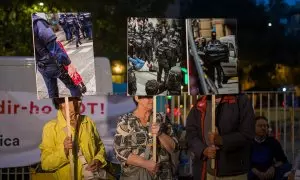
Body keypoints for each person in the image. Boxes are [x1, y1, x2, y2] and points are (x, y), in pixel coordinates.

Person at [186, 94, 255, 180]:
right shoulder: (200, 104)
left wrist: (222, 140)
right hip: (207, 172)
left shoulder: (241, 100)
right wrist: (203, 150)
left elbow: (248, 134)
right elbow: (191, 133)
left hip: (234, 173)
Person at [39, 97, 108, 180]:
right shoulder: (50, 128)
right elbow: (46, 164)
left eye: (79, 99)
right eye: (73, 99)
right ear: (61, 103)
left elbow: (100, 147)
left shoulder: (88, 121)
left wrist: (98, 160)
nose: (78, 103)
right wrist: (64, 151)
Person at [113, 96, 179, 180]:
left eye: (153, 97)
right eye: (148, 97)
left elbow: (174, 148)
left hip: (163, 175)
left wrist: (161, 134)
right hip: (137, 176)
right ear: (137, 98)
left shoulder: (162, 118)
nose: (152, 100)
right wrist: (145, 163)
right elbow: (119, 152)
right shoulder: (126, 120)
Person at [32, 13, 81, 98]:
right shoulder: (37, 22)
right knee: (74, 87)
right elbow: (53, 46)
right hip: (54, 63)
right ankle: (76, 109)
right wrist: (68, 64)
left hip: (41, 66)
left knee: (52, 93)